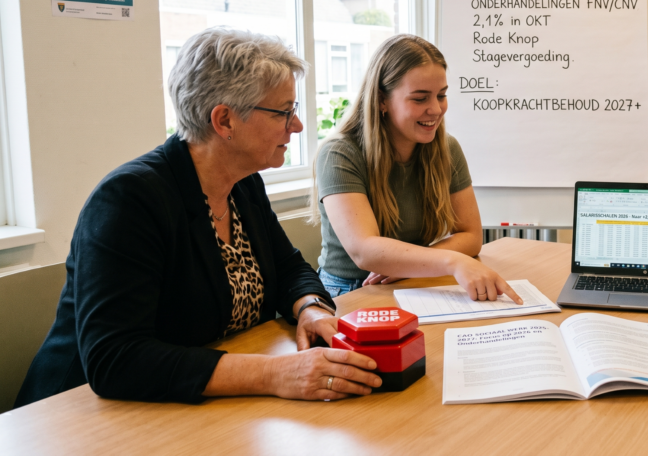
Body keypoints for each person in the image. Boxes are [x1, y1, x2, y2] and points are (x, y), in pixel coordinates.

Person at [15, 28, 382, 408]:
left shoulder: (244, 184)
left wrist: (309, 307)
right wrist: (275, 373)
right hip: (77, 418)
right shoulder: (129, 199)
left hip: (191, 407)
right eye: (283, 111)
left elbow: (288, 267)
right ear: (224, 120)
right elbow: (116, 358)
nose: (297, 125)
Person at [311, 34, 522, 305]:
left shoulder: (446, 148)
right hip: (350, 290)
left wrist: (414, 265)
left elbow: (471, 236)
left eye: (442, 95)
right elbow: (366, 251)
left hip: (415, 280)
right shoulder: (339, 153)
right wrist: (449, 261)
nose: (436, 109)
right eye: (420, 99)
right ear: (381, 100)